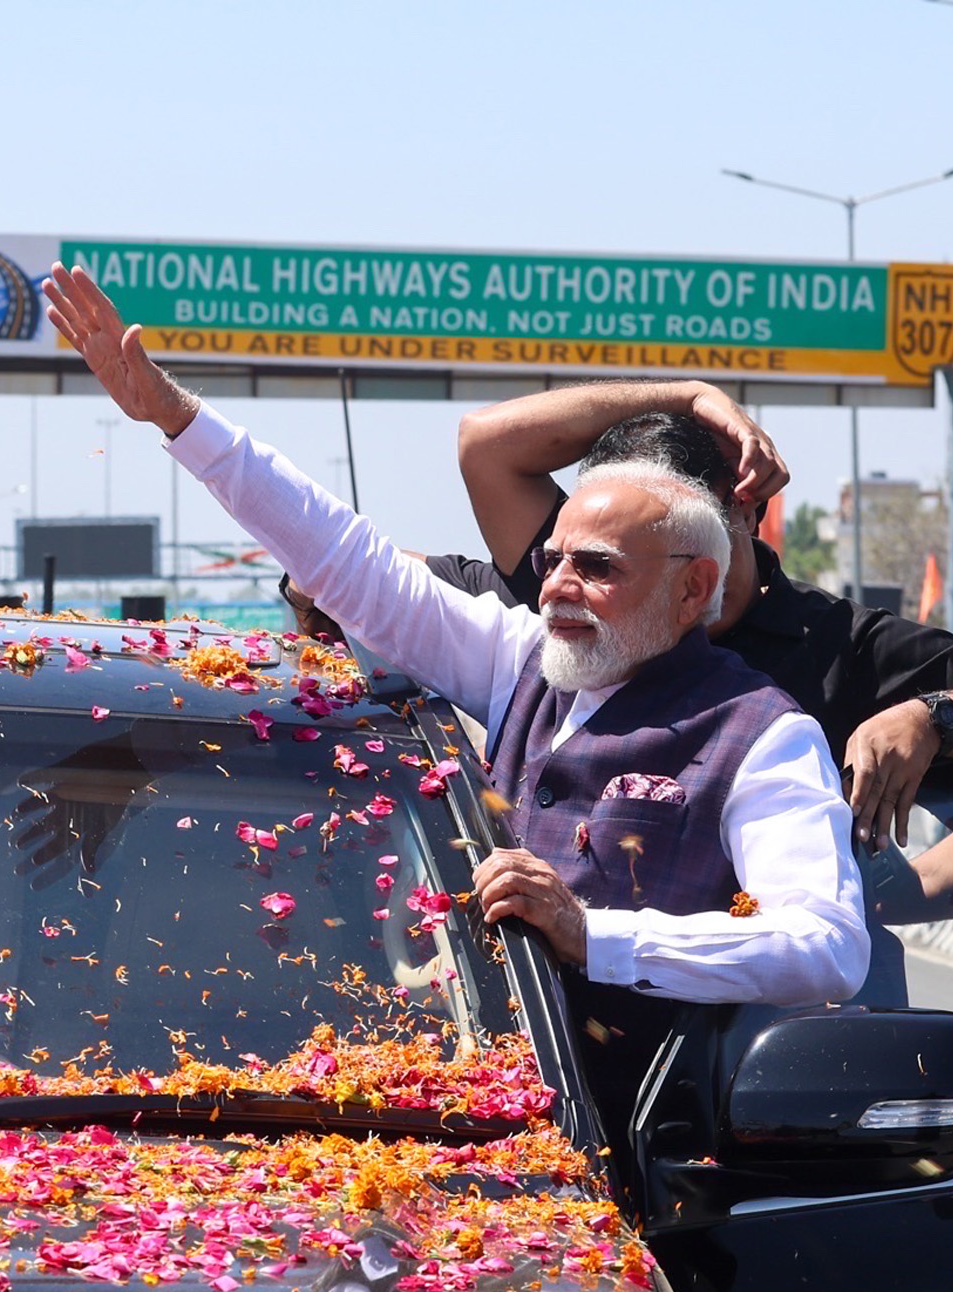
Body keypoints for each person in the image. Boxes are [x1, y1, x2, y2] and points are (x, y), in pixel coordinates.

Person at [43, 264, 866, 1153]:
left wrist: (594, 935)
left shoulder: (762, 734)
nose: (557, 587)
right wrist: (176, 417)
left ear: (693, 587)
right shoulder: (521, 658)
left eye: (597, 567)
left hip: (639, 1164)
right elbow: (349, 561)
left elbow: (825, 946)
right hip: (457, 1136)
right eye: (553, 560)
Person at [452, 381, 953, 852]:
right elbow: (486, 442)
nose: (567, 584)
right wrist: (689, 395)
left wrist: (935, 718)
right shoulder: (572, 586)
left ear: (744, 507)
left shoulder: (840, 646)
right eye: (617, 549)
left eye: (689, 526)